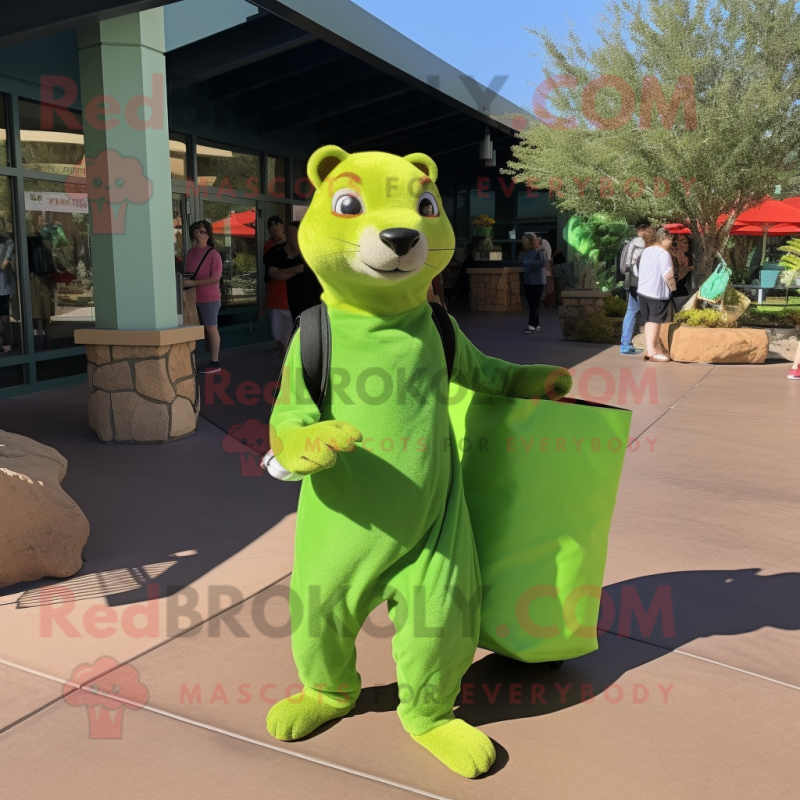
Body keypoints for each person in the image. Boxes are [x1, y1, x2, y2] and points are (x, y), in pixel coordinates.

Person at [183, 220, 223, 375]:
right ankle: (190, 358)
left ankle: (215, 361)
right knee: (191, 327)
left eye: (203, 232)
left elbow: (216, 278)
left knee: (211, 327)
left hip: (209, 297)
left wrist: (193, 282)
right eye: (197, 231)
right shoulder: (191, 253)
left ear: (208, 235)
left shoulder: (213, 254)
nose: (199, 234)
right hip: (191, 296)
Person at [637, 227, 677, 362]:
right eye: (671, 239)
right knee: (655, 321)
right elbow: (668, 274)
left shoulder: (646, 251)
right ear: (664, 238)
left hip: (642, 291)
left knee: (649, 320)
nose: (672, 242)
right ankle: (652, 351)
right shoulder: (663, 254)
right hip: (657, 293)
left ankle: (652, 348)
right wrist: (673, 288)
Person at [619, 219, 656, 355]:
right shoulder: (645, 244)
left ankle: (625, 344)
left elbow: (625, 266)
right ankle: (652, 345)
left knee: (631, 311)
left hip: (633, 282)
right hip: (644, 283)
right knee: (649, 313)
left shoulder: (631, 243)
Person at [261, 215, 294, 358]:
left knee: (293, 332)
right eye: (273, 229)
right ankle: (284, 358)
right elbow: (268, 274)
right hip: (275, 294)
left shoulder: (294, 244)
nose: (276, 231)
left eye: (278, 228)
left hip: (292, 294)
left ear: (283, 228)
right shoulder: (268, 246)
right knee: (278, 333)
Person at [520, 232, 547, 333]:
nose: (538, 240)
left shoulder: (541, 251)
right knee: (532, 304)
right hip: (528, 281)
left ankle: (531, 324)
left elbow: (542, 264)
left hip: (538, 281)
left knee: (535, 303)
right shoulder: (526, 253)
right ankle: (536, 325)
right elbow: (522, 261)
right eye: (536, 239)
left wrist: (530, 264)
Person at [0, 228, 16, 354]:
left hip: (2, 286)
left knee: (4, 316)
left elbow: (3, 265)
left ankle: (7, 341)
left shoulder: (7, 243)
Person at [670, 234, 694, 311]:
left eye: (686, 243)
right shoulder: (670, 256)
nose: (687, 245)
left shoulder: (690, 259)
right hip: (675, 292)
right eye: (684, 243)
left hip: (682, 293)